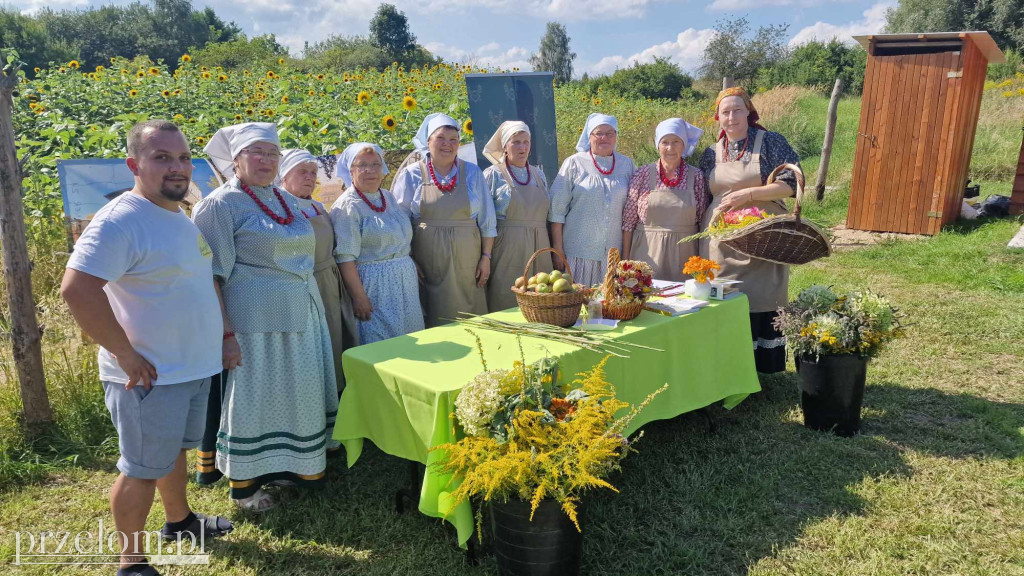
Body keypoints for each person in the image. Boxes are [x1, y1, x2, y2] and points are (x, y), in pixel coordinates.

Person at [61, 120, 232, 576]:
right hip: (149, 375)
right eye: (162, 158)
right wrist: (124, 354)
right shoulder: (122, 219)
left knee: (172, 452)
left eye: (182, 157)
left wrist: (221, 339)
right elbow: (77, 290)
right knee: (139, 467)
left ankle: (180, 522)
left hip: (189, 367)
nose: (176, 168)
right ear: (134, 164)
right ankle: (131, 562)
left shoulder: (177, 213)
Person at [191, 122, 338, 512]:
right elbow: (210, 277)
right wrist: (224, 335)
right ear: (236, 160)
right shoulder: (220, 205)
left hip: (301, 313)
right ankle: (246, 487)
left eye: (272, 153)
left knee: (293, 395)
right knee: (256, 403)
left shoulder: (281, 198)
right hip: (255, 325)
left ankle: (292, 466)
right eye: (256, 153)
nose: (266, 160)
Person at [699, 87, 801, 373]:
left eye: (737, 110)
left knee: (763, 292)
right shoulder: (710, 153)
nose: (731, 117)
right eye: (725, 112)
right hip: (721, 238)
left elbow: (790, 185)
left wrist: (749, 195)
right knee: (723, 293)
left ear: (749, 112)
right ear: (717, 117)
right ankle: (727, 364)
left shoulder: (769, 142)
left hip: (762, 234)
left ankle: (761, 367)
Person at [391, 113, 497, 327]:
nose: (447, 145)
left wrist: (486, 257)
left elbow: (487, 220)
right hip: (428, 263)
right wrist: (409, 258)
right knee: (434, 315)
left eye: (453, 140)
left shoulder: (473, 172)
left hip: (468, 262)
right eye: (441, 138)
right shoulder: (412, 175)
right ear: (428, 141)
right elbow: (399, 222)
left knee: (470, 317)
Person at [279, 149, 358, 392]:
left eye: (313, 172)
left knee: (333, 341)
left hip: (328, 282)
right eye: (302, 171)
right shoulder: (279, 206)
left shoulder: (317, 206)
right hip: (302, 287)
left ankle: (336, 398)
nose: (309, 177)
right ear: (284, 174)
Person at [330, 142, 424, 344]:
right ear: (350, 170)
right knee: (382, 342)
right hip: (374, 287)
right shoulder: (348, 206)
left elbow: (397, 237)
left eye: (375, 164)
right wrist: (359, 297)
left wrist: (407, 261)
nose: (370, 170)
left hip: (404, 283)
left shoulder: (387, 197)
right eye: (362, 165)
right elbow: (345, 258)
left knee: (411, 339)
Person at [548, 113, 636, 286]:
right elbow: (557, 211)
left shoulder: (627, 165)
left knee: (611, 308)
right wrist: (558, 250)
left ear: (616, 136)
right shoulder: (574, 163)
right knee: (578, 308)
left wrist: (626, 254)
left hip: (613, 256)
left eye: (610, 133)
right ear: (590, 136)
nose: (604, 138)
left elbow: (631, 212)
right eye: (599, 133)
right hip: (578, 254)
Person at [622, 118, 706, 282]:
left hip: (685, 256)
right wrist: (625, 263)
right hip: (646, 254)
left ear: (684, 145)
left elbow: (702, 221)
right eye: (665, 142)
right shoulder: (643, 174)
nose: (670, 148)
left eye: (676, 142)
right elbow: (628, 223)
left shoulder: (696, 176)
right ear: (657, 145)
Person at [482, 120, 551, 311]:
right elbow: (484, 218)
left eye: (526, 142)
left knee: (542, 297)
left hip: (540, 245)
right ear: (505, 147)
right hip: (508, 247)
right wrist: (485, 254)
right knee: (508, 296)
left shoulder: (539, 174)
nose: (522, 147)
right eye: (516, 142)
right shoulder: (493, 175)